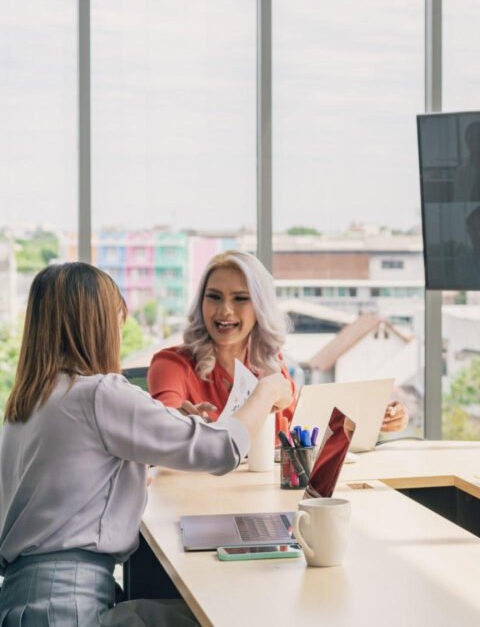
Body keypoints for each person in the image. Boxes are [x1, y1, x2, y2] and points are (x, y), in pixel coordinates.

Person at [0, 263, 293, 624]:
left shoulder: (27, 403)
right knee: (230, 614)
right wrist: (267, 391)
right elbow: (222, 451)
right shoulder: (98, 394)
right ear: (99, 326)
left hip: (24, 605)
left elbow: (74, 481)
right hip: (70, 611)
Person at [147, 251, 408, 439]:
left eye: (240, 299)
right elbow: (163, 428)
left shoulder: (269, 365)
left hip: (266, 497)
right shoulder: (171, 365)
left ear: (260, 307)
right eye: (214, 297)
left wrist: (374, 419)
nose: (224, 310)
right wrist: (177, 423)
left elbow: (303, 434)